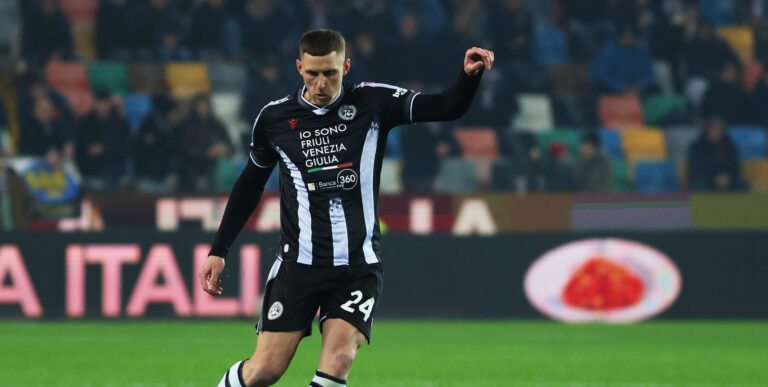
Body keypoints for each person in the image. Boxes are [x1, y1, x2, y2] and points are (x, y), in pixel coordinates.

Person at [199, 29, 493, 386]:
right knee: (265, 371)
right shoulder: (274, 119)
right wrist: (219, 250)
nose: (321, 83)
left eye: (331, 73)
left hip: (358, 266)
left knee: (338, 360)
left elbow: (447, 107)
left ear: (346, 66)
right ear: (299, 67)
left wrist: (468, 76)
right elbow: (249, 186)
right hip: (299, 265)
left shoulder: (373, 102)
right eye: (313, 73)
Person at [74, 90, 131, 188]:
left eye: (106, 103)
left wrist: (105, 149)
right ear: (94, 103)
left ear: (110, 104)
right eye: (100, 103)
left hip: (114, 171)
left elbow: (126, 148)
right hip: (90, 170)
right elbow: (80, 148)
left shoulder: (121, 124)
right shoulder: (84, 123)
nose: (103, 107)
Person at [177, 94, 233, 191]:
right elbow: (184, 148)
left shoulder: (216, 124)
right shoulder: (187, 124)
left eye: (205, 105)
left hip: (212, 166)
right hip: (191, 168)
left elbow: (230, 146)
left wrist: (223, 150)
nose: (203, 108)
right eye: (200, 105)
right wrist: (206, 153)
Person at [589, 25, 655, 95]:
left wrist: (640, 86)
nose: (628, 38)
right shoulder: (609, 49)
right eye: (625, 36)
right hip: (614, 86)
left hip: (635, 87)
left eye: (631, 36)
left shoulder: (642, 50)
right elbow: (602, 74)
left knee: (654, 89)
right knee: (600, 89)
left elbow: (648, 74)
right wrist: (621, 87)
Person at [687, 116, 744, 191]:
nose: (717, 132)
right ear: (707, 130)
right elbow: (695, 170)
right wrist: (713, 179)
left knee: (742, 186)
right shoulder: (697, 147)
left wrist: (727, 178)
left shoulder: (730, 146)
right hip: (705, 180)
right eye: (714, 129)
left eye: (719, 129)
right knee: (699, 185)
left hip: (726, 180)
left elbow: (735, 167)